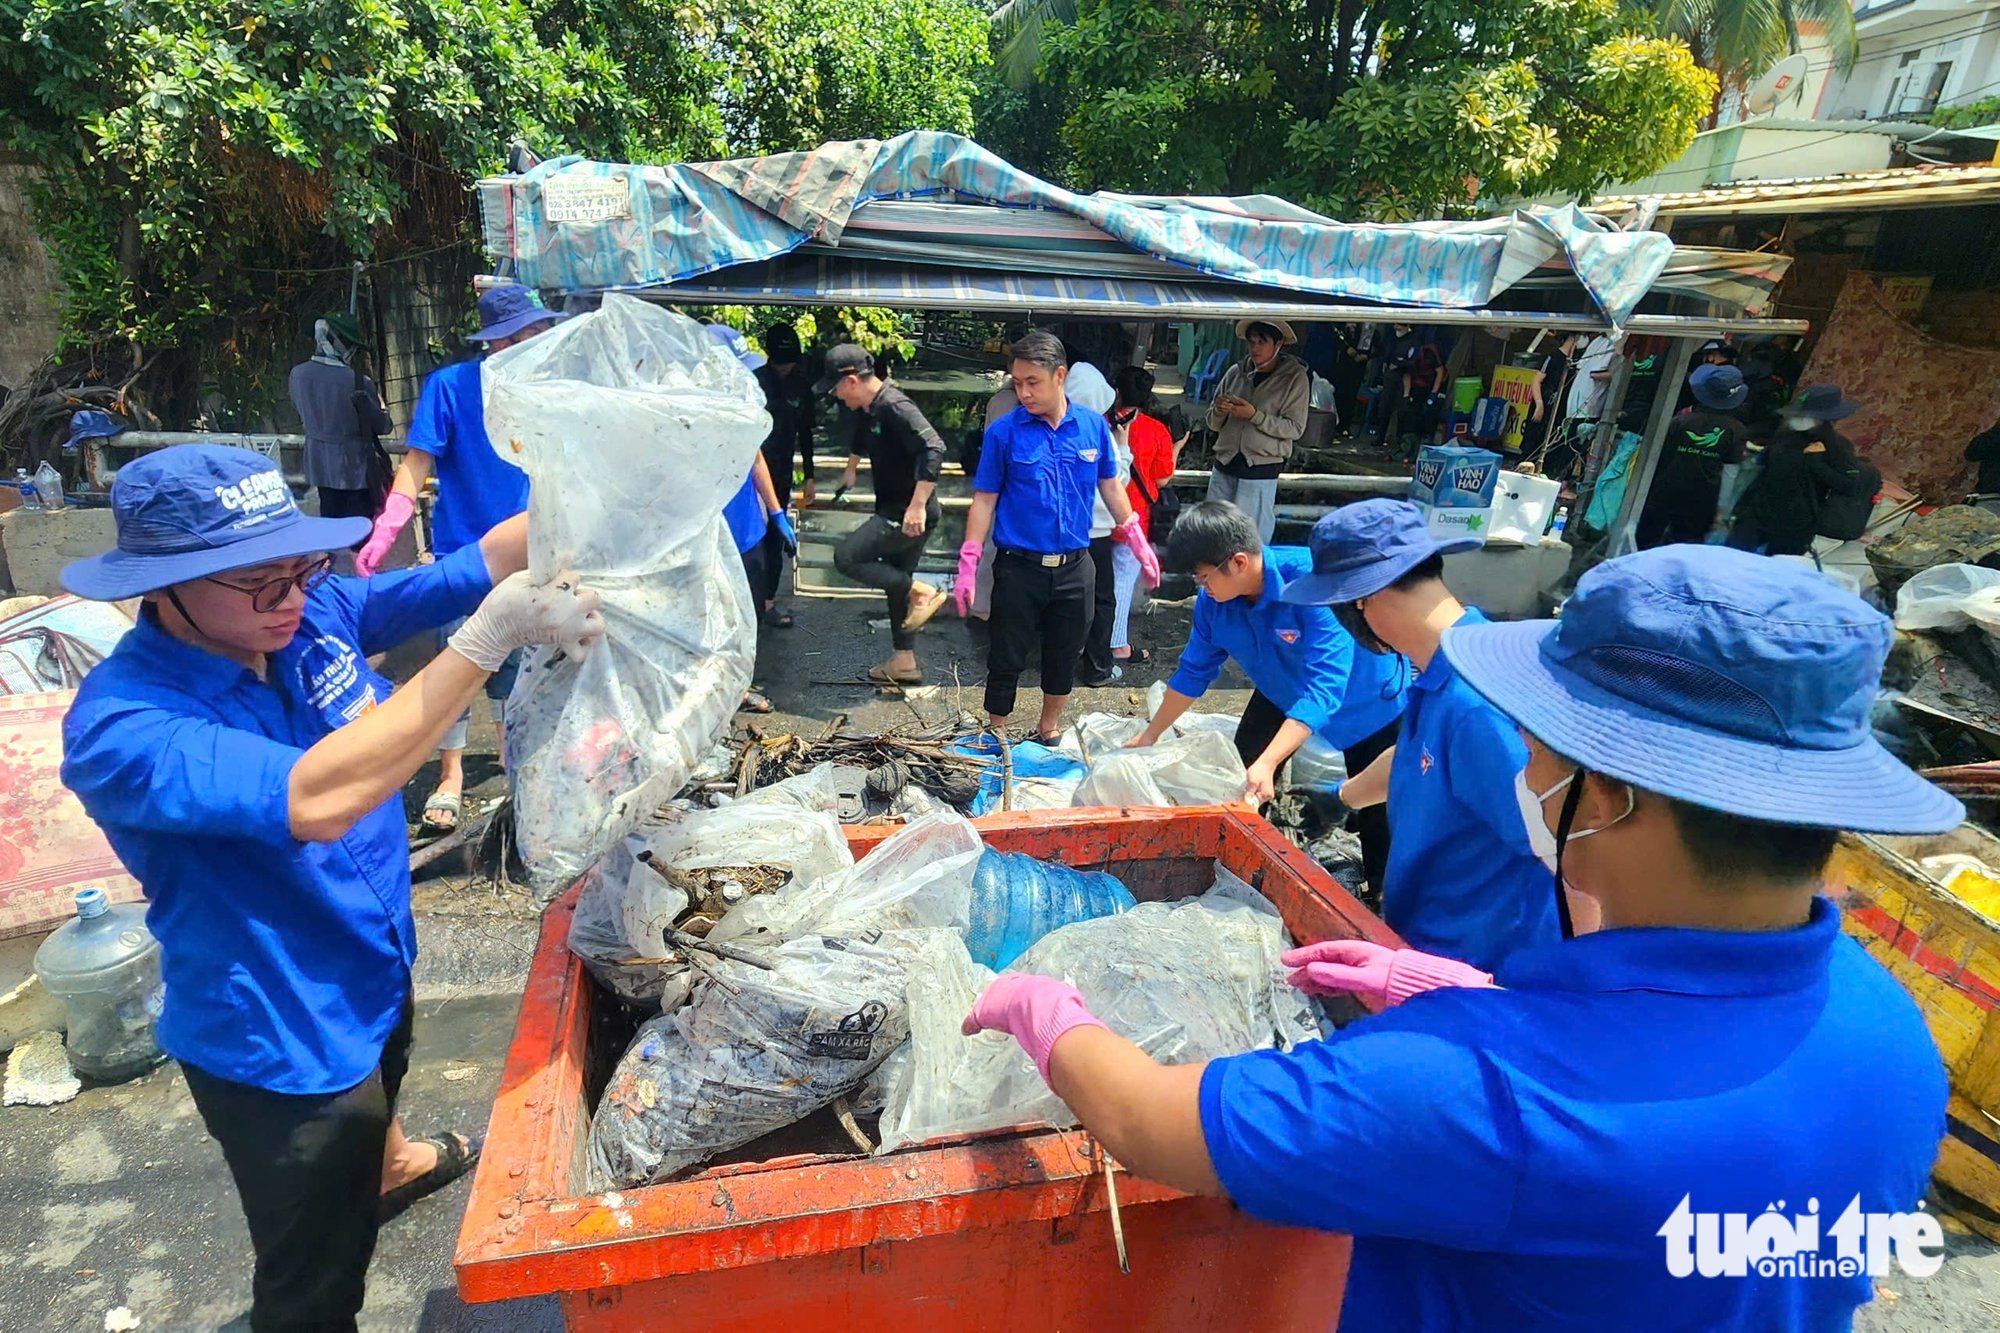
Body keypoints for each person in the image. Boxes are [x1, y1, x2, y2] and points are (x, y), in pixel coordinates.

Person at [961, 543, 1956, 1333]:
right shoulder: (1888, 1030)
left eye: (1536, 753)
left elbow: (1146, 1122)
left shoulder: (1482, 1092)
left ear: (1599, 797)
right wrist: (1466, 992)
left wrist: (1040, 1007)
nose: (1524, 775)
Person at [60, 445, 602, 1331]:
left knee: (386, 1077)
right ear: (160, 585)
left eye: (300, 567)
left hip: (373, 956)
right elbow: (317, 795)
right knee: (313, 1283)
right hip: (278, 1026)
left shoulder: (312, 615)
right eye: (254, 581)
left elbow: (481, 563)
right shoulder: (126, 725)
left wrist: (602, 484)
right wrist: (485, 641)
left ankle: (393, 1163)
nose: (288, 596)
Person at [1281, 499, 1568, 967]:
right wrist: (1341, 797)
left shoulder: (1477, 704)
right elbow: (1420, 755)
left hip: (1472, 966)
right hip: (1426, 942)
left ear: (1361, 599)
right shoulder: (1448, 663)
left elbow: (1558, 853)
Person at [355, 283, 560, 832]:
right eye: (527, 335)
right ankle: (450, 776)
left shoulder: (550, 393)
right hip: (464, 553)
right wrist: (390, 521)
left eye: (542, 332)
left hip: (534, 550)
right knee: (457, 660)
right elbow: (417, 462)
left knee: (525, 664)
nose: (538, 342)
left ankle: (514, 762)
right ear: (498, 342)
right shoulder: (450, 387)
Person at [1132, 500, 1405, 892]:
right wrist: (1151, 734)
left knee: (1379, 806)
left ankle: (1382, 897)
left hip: (1365, 701)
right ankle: (1251, 866)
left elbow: (1324, 688)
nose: (1202, 588)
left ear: (1239, 562)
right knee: (1243, 775)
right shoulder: (1215, 603)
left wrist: (1271, 760)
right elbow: (1194, 671)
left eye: (1205, 577)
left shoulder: (1312, 584)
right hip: (1281, 689)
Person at [955, 329, 1163, 741]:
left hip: (1075, 566)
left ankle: (1047, 730)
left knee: (1064, 653)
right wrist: (968, 561)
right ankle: (996, 735)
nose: (1024, 393)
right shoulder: (1004, 432)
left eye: (1033, 382)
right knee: (1006, 655)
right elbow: (984, 500)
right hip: (1019, 567)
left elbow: (1110, 485)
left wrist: (1137, 540)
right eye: (1017, 383)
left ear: (1060, 376)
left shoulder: (1091, 427)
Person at [819, 343, 950, 686]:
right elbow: (865, 434)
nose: (836, 397)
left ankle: (922, 590)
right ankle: (904, 661)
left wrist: (917, 505)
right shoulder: (873, 407)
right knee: (895, 581)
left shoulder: (895, 404)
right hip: (898, 507)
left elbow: (934, 446)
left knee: (847, 556)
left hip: (908, 511)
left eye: (835, 389)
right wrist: (851, 469)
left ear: (850, 380)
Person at [707, 325, 795, 713]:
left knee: (748, 613)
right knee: (710, 614)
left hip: (748, 530)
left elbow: (755, 457)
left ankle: (739, 685)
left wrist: (775, 511)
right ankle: (709, 693)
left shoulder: (742, 403)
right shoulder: (684, 408)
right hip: (708, 532)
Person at [1730, 384, 1867, 558]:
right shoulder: (1784, 435)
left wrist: (1816, 463)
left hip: (1795, 525)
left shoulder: (1837, 446)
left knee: (1776, 570)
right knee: (1732, 557)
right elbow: (1764, 471)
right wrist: (1742, 507)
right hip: (1758, 513)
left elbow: (1850, 486)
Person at [1205, 319, 1308, 543]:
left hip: (1261, 468)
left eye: (1262, 342)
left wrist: (1254, 416)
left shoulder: (1295, 378)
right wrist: (1220, 410)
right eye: (1251, 342)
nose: (1255, 348)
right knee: (1214, 535)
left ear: (1278, 344)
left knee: (1252, 540)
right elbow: (1213, 423)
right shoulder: (1235, 372)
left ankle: (1253, 579)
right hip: (1225, 462)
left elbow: (1295, 428)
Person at [289, 310, 392, 523]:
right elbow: (383, 426)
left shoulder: (297, 375)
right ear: (342, 344)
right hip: (354, 470)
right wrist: (383, 407)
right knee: (360, 533)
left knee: (331, 531)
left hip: (318, 467)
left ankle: (334, 557)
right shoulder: (358, 382)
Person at [1109, 365, 1181, 669]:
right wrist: (1177, 447)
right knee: (1121, 584)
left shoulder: (1099, 424)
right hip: (1133, 520)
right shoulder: (1156, 430)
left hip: (1097, 519)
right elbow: (1163, 478)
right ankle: (1116, 644)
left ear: (1117, 392)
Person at [1638, 364, 1749, 550]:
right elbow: (1730, 474)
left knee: (1646, 540)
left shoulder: (1679, 421)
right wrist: (1723, 510)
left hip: (1664, 490)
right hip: (1703, 498)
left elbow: (1657, 458)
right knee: (1686, 548)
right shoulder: (1736, 430)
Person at [749, 322, 815, 628]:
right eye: (781, 363)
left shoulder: (802, 385)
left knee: (776, 540)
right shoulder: (753, 383)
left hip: (783, 471)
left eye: (791, 363)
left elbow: (807, 433)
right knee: (751, 539)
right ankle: (747, 601)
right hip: (750, 472)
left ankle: (768, 602)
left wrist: (810, 476)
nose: (786, 368)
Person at [1069, 361, 1128, 688]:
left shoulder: (1055, 428)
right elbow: (1118, 480)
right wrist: (1124, 447)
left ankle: (1060, 661)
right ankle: (1097, 667)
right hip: (1098, 534)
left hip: (1063, 534)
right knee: (1102, 600)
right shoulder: (1100, 432)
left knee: (1064, 600)